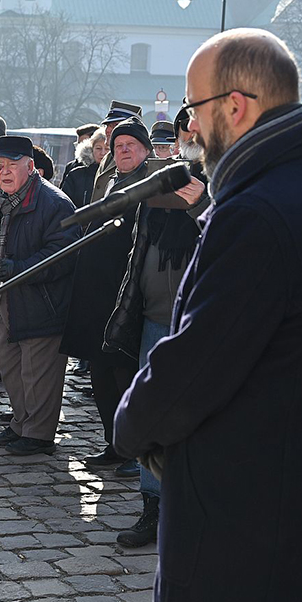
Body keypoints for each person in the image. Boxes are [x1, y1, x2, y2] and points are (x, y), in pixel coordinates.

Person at [114, 29, 302, 602]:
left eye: (192, 109)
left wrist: (133, 426)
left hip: (236, 509)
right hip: (296, 494)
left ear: (234, 106)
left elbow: (194, 367)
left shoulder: (262, 212)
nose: (188, 128)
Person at [103, 113, 208, 548]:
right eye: (183, 131)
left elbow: (239, 241)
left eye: (196, 129)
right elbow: (136, 247)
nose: (187, 138)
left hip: (201, 320)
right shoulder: (161, 180)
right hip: (153, 317)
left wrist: (203, 205)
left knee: (199, 417)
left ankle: (196, 508)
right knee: (151, 410)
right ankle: (153, 507)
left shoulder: (228, 179)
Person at [62, 119, 155, 473]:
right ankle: (114, 445)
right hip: (98, 293)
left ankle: (134, 451)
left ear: (145, 151)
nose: (124, 150)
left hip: (129, 293)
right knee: (100, 376)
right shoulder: (110, 181)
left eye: (131, 145)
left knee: (124, 375)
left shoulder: (151, 186)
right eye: (118, 146)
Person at [0, 135, 79, 456]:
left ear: (31, 167)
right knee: (11, 368)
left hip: (41, 300)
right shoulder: (0, 198)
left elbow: (63, 253)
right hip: (6, 297)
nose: (4, 172)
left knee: (38, 373)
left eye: (11, 166)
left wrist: (19, 267)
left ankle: (39, 433)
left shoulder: (54, 202)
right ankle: (21, 423)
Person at [92, 101, 143, 202]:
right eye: (107, 125)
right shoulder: (107, 157)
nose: (108, 130)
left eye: (115, 125)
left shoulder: (140, 158)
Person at [61, 128, 105, 210]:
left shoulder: (117, 175)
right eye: (98, 148)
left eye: (107, 149)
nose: (102, 153)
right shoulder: (76, 174)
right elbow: (64, 203)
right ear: (91, 150)